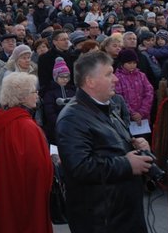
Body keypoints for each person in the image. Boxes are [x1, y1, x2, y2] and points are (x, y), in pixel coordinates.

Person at [56, 51, 152, 232]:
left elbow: (111, 147)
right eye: (108, 74)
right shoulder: (72, 118)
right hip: (102, 220)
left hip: (123, 213)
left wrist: (136, 146)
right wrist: (126, 164)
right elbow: (79, 168)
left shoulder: (108, 107)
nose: (115, 79)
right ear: (90, 81)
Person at [0, 72, 53, 233]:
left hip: (8, 190)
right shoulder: (26, 126)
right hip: (27, 196)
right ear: (22, 97)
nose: (37, 95)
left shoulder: (3, 120)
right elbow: (39, 167)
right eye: (33, 92)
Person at [114, 49, 154, 125]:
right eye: (129, 63)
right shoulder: (117, 78)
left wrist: (142, 111)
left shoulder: (141, 75)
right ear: (122, 63)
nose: (132, 65)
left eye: (134, 63)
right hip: (126, 117)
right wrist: (132, 113)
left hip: (143, 116)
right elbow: (119, 96)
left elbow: (149, 92)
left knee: (144, 135)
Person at [42, 57, 75, 144]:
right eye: (62, 77)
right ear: (55, 77)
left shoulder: (72, 91)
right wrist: (59, 123)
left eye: (67, 76)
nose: (65, 79)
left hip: (72, 127)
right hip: (56, 129)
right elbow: (50, 112)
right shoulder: (50, 93)